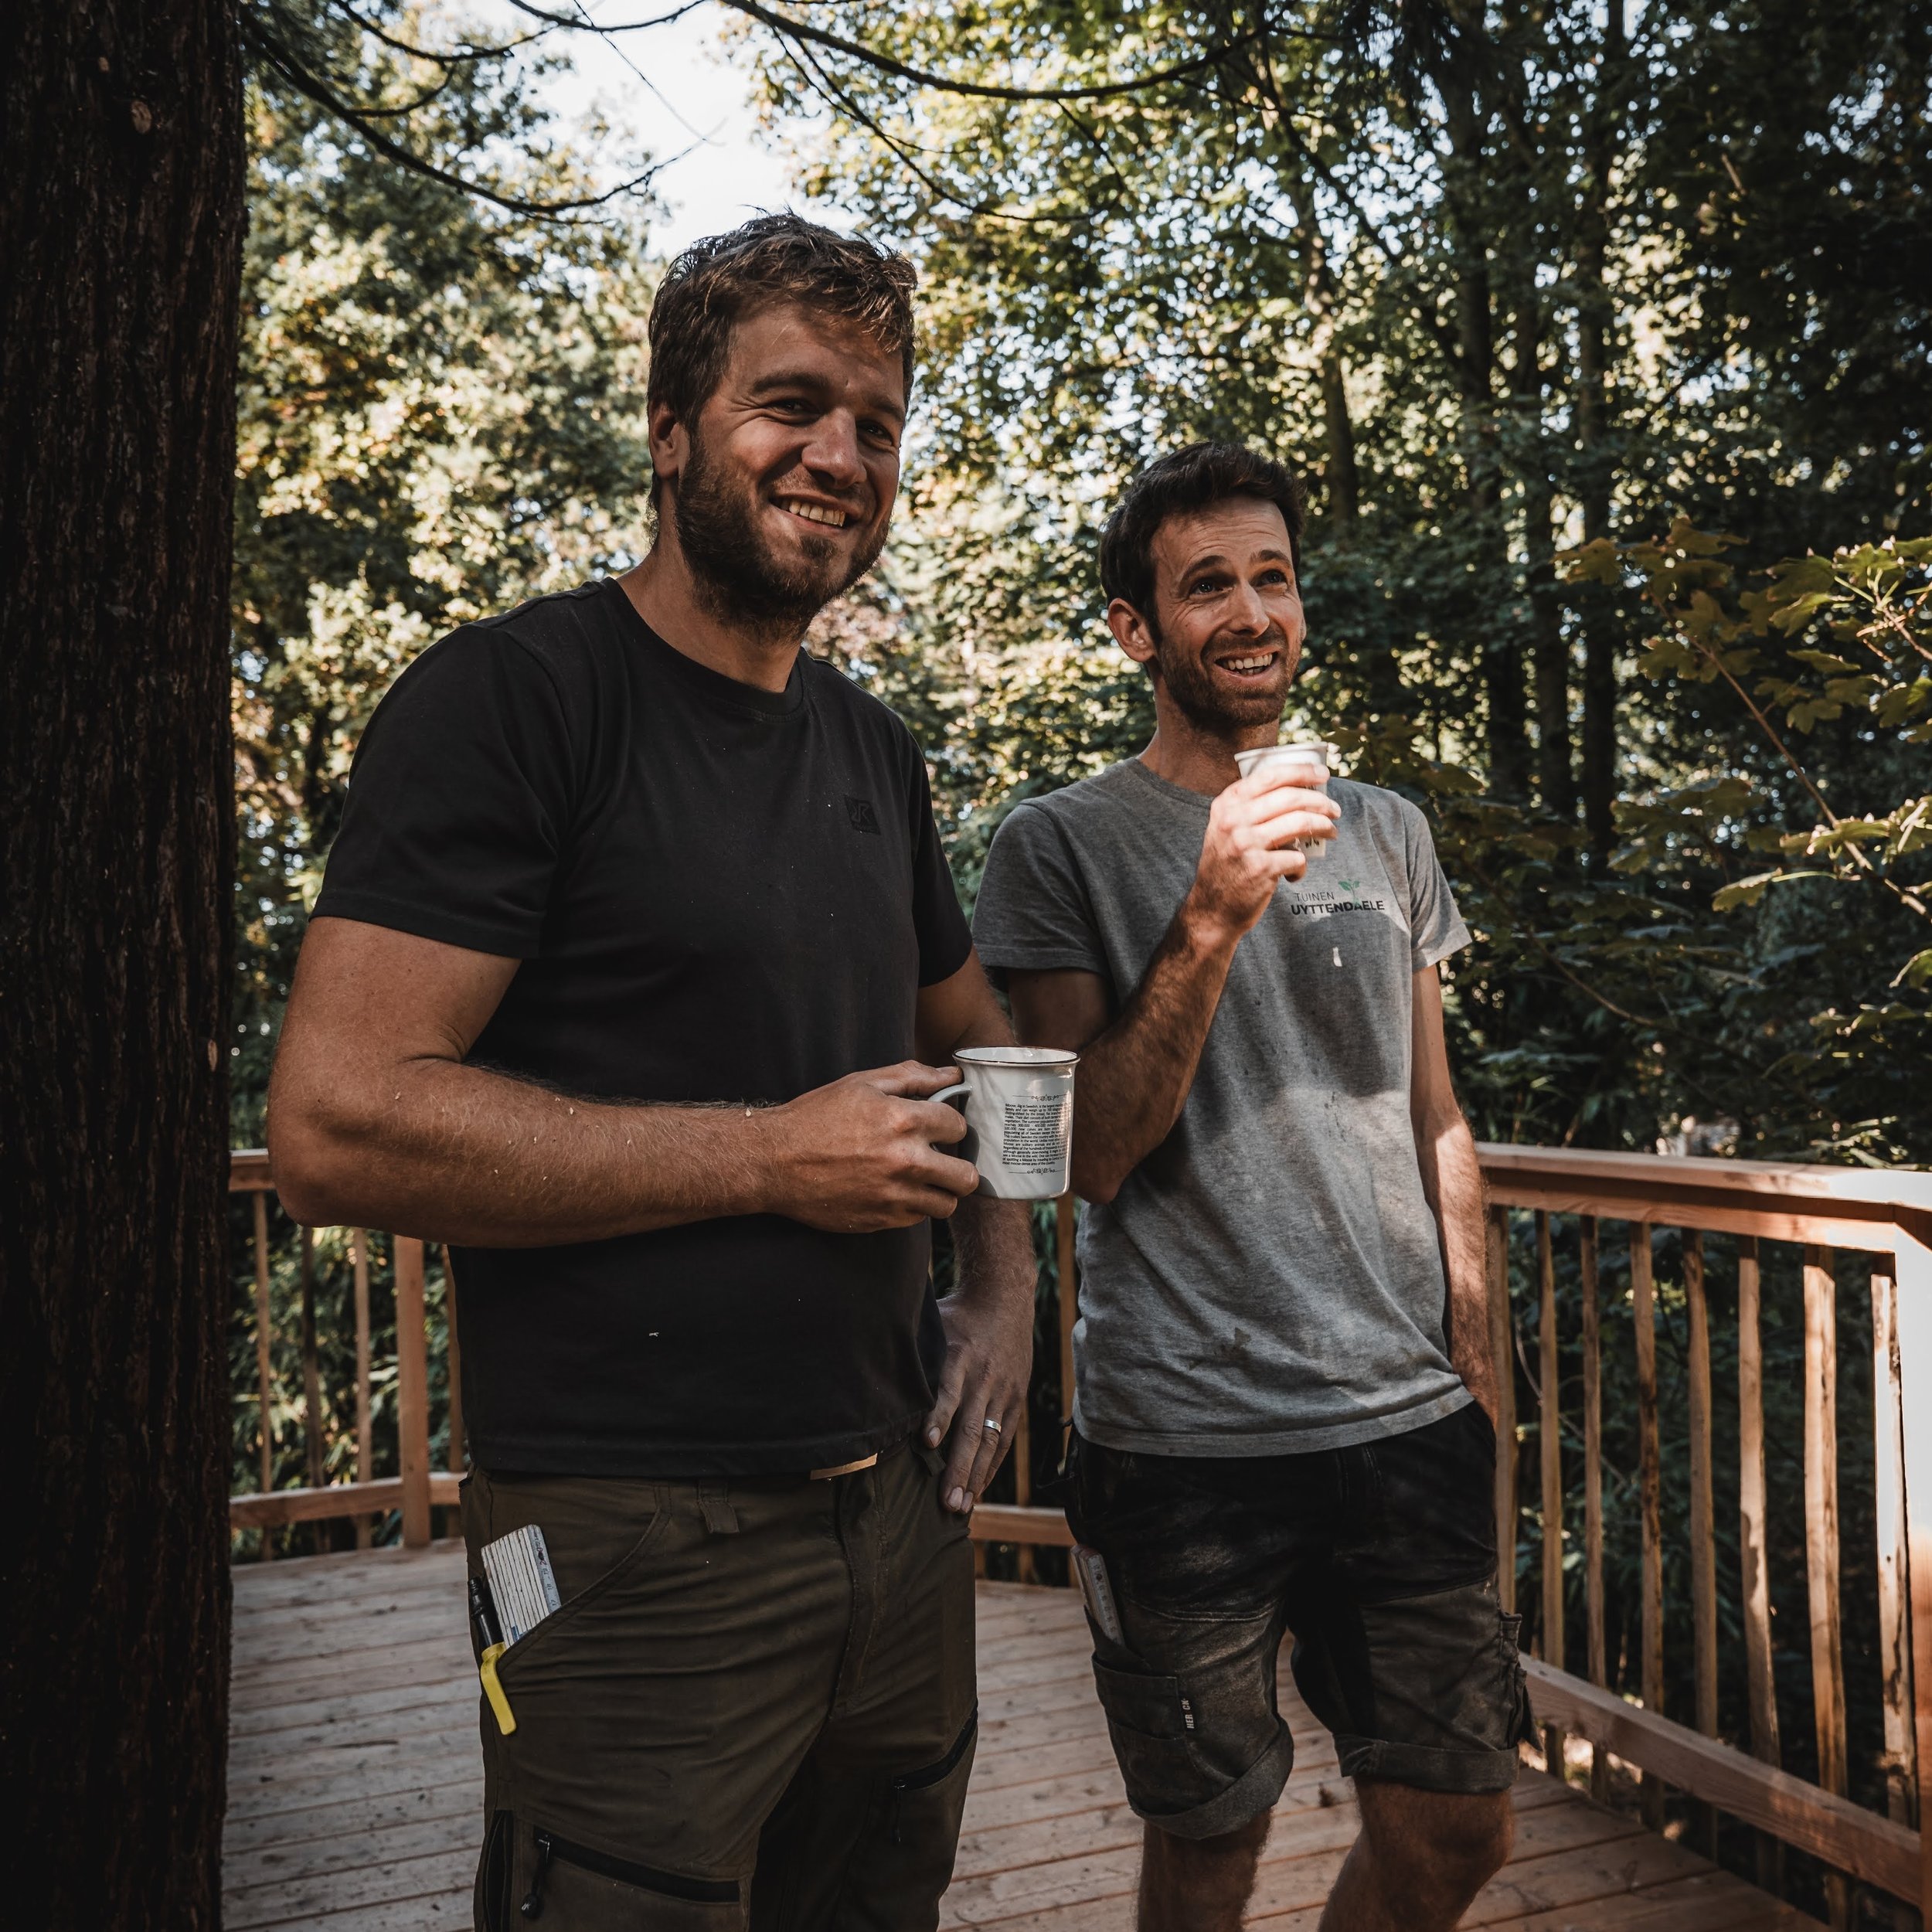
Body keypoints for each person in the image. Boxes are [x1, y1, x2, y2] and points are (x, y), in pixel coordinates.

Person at [267, 215, 1036, 1932]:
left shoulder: (867, 747)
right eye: (790, 403)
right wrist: (767, 1156)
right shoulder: (512, 700)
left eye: (877, 420)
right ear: (672, 426)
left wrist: (1003, 1274)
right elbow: (331, 1122)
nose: (839, 452)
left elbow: (987, 1055)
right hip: (626, 1540)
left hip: (898, 1525)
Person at [971, 442, 1529, 1932]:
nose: (1250, 610)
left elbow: (1436, 1117)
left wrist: (1481, 1379)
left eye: (1271, 576)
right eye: (1205, 583)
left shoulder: (1390, 831)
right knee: (1212, 1846)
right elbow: (1081, 1153)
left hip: (1406, 1421)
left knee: (1458, 1826)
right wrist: (1211, 908)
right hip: (1185, 1442)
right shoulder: (1058, 846)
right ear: (1134, 628)